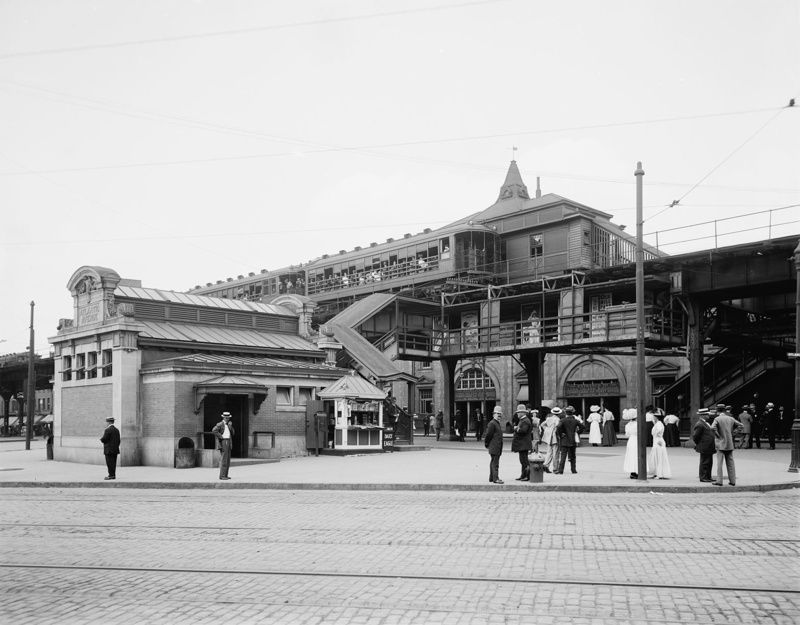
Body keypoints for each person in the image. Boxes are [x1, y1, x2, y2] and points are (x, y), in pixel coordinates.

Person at [711, 408, 743, 486]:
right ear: (724, 411)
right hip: (729, 443)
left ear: (718, 411)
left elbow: (712, 427)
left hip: (721, 444)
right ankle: (732, 481)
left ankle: (719, 481)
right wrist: (734, 433)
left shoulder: (717, 419)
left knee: (719, 464)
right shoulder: (731, 418)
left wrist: (717, 435)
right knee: (730, 463)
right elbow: (741, 425)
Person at [554, 406, 584, 474]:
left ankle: (561, 470)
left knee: (563, 456)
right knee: (573, 456)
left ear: (566, 413)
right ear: (572, 413)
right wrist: (578, 432)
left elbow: (558, 427)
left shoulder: (563, 420)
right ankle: (573, 470)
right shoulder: (575, 420)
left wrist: (560, 434)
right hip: (572, 440)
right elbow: (582, 426)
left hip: (564, 440)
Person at [691, 408, 715, 483]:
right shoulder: (700, 424)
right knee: (705, 462)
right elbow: (695, 436)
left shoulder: (704, 423)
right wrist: (700, 444)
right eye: (707, 414)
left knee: (709, 462)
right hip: (704, 446)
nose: (708, 415)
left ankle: (708, 476)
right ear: (703, 415)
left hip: (708, 446)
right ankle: (703, 477)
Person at [511, 404, 533, 481]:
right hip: (522, 444)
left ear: (523, 413)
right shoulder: (523, 420)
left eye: (518, 412)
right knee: (522, 461)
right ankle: (523, 475)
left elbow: (523, 431)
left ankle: (527, 476)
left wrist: (516, 428)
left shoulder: (525, 420)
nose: (517, 414)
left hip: (524, 444)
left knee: (524, 461)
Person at [484, 405, 504, 484]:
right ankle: (496, 478)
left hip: (496, 446)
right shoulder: (492, 423)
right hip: (494, 446)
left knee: (493, 462)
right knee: (495, 463)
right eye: (497, 414)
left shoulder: (496, 423)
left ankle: (492, 478)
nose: (499, 416)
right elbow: (488, 435)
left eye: (500, 415)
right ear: (493, 414)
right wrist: (486, 443)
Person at [212, 411, 235, 480]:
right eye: (226, 418)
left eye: (228, 418)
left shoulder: (229, 425)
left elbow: (233, 433)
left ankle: (225, 475)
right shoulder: (220, 424)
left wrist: (231, 426)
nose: (227, 419)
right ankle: (222, 476)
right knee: (224, 459)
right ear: (223, 417)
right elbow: (214, 430)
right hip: (224, 441)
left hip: (229, 441)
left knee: (228, 460)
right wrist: (221, 437)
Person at [647, 414, 671, 479]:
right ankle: (656, 472)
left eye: (654, 417)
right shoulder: (657, 423)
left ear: (656, 418)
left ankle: (660, 473)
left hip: (658, 441)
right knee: (655, 457)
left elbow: (659, 432)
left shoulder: (659, 424)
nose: (653, 418)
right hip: (656, 440)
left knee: (659, 457)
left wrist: (658, 436)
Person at [540, 407, 561, 474]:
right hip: (554, 437)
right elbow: (558, 427)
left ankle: (546, 466)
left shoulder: (549, 418)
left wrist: (547, 429)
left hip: (549, 437)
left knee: (549, 452)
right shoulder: (558, 419)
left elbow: (542, 424)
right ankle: (555, 468)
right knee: (556, 453)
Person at [99, 416, 120, 480]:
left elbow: (104, 439)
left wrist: (101, 439)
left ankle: (111, 475)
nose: (106, 423)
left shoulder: (107, 430)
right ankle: (113, 475)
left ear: (108, 422)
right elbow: (119, 440)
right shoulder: (117, 430)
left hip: (108, 450)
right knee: (113, 463)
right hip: (115, 450)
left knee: (109, 463)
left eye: (106, 422)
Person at [622, 408, 639, 479]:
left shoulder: (627, 425)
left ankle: (632, 472)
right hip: (636, 439)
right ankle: (637, 471)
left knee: (631, 455)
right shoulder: (638, 424)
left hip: (631, 440)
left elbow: (627, 434)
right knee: (637, 455)